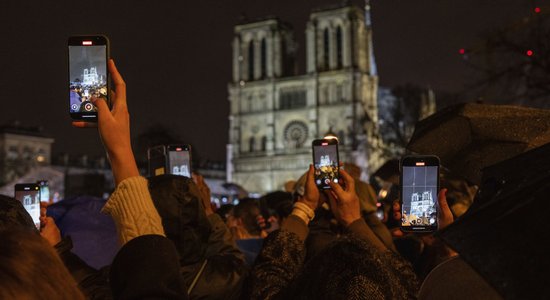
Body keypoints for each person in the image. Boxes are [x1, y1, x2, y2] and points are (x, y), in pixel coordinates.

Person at [247, 165, 419, 299]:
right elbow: (406, 281)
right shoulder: (395, 290)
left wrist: (304, 207)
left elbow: (268, 280)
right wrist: (354, 220)